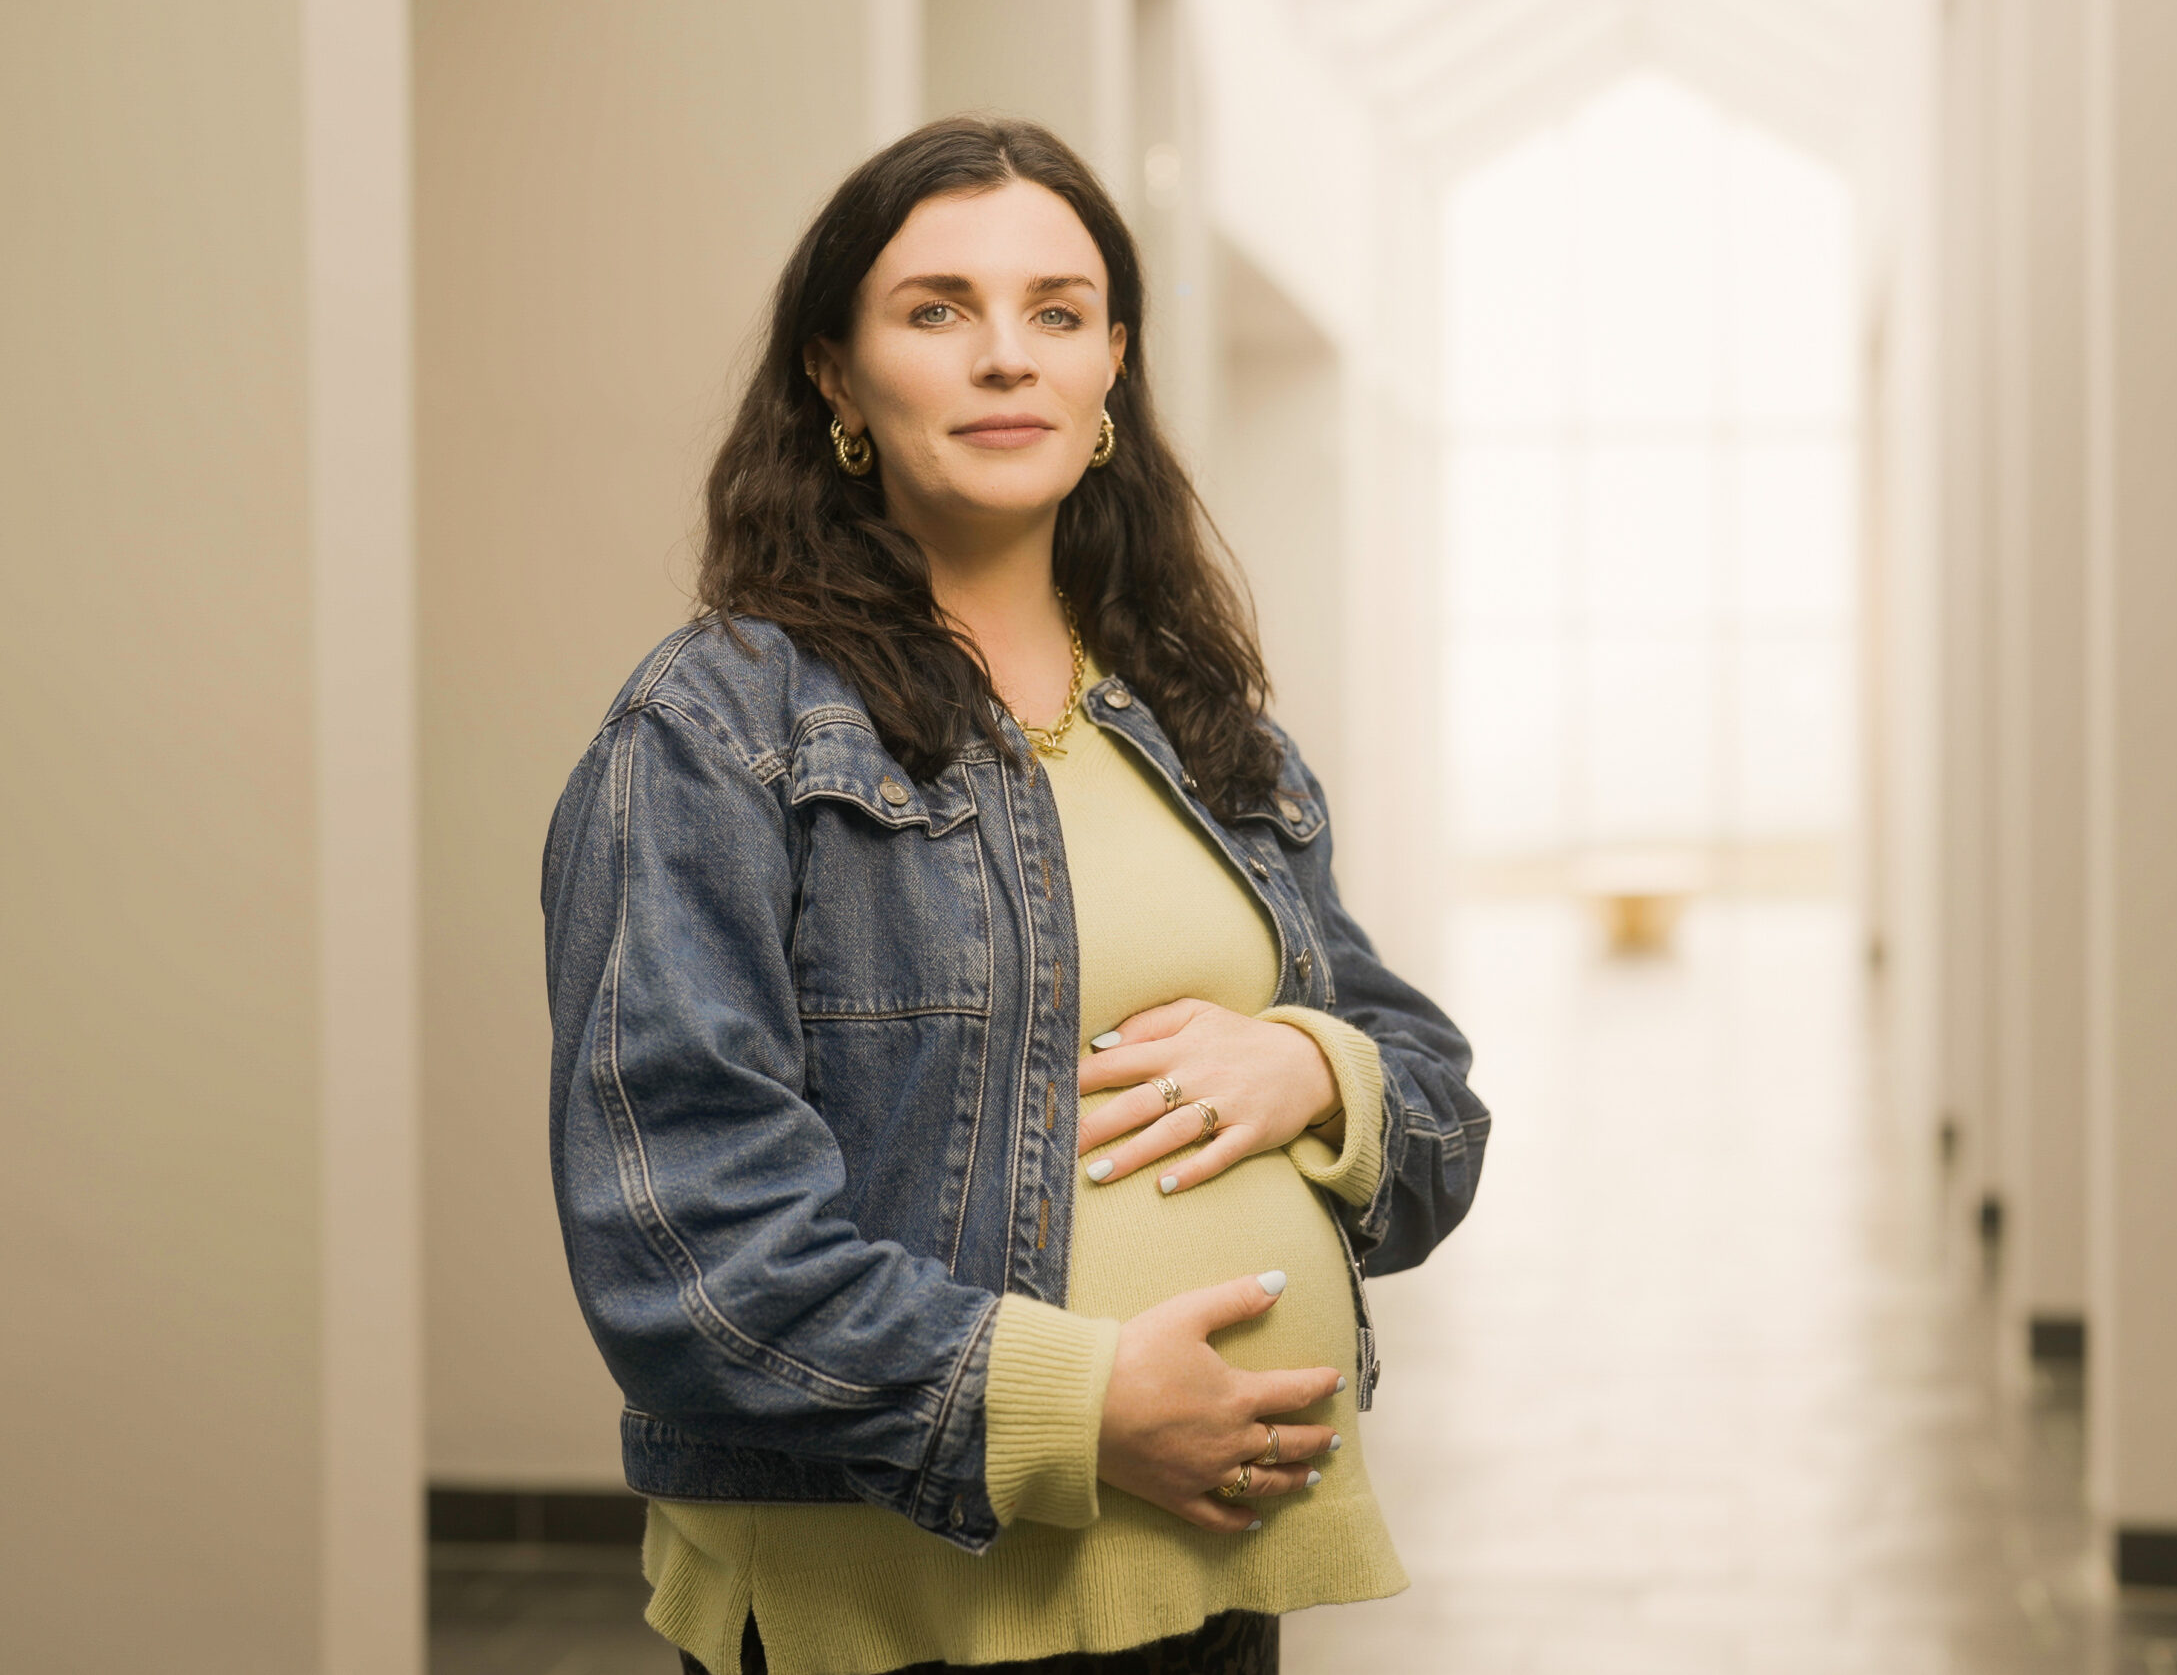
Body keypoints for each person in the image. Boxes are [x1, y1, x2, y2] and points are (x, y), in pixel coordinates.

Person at [541, 116, 1490, 1675]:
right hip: (903, 1614)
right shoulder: (712, 730)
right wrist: (1081, 1403)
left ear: (1112, 363)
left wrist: (1321, 1066)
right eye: (938, 309)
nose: (1007, 356)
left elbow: (1440, 1101)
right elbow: (682, 1249)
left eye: (1056, 311)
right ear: (835, 376)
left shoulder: (1198, 717)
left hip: (1208, 1580)